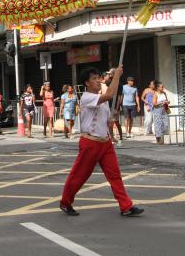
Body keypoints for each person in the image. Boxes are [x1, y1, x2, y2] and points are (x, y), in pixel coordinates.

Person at [60, 66, 143, 217]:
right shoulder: (86, 97)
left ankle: (126, 206)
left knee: (115, 175)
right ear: (86, 83)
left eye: (99, 77)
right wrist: (117, 75)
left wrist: (109, 122)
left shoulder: (101, 99)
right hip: (90, 142)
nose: (98, 81)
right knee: (80, 175)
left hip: (105, 142)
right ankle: (65, 202)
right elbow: (110, 94)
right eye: (94, 79)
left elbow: (103, 118)